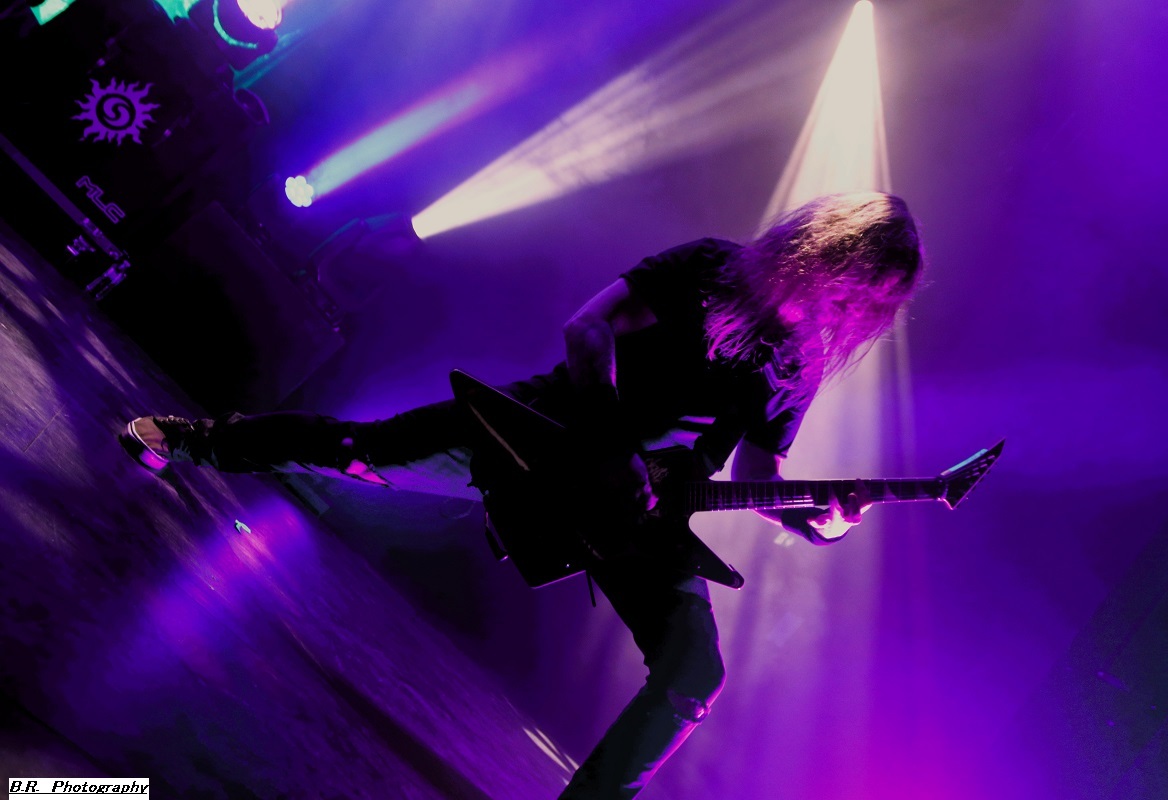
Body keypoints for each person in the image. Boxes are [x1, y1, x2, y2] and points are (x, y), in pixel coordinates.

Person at [120, 191, 924, 799]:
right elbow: (587, 328)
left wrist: (818, 522)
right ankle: (194, 439)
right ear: (827, 249)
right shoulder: (711, 267)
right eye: (857, 281)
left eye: (872, 302)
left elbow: (761, 475)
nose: (854, 306)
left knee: (693, 674)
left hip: (639, 517)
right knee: (360, 455)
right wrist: (612, 441)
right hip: (541, 436)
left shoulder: (800, 364)